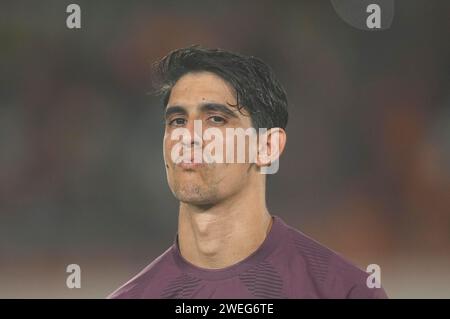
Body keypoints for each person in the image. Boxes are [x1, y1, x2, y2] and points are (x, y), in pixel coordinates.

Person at [108, 45, 387, 299]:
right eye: (178, 121)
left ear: (267, 146)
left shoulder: (344, 292)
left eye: (216, 119)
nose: (189, 137)